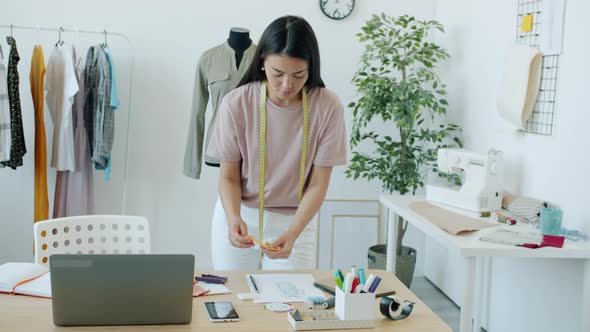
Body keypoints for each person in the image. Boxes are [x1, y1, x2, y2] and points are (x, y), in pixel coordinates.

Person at [207, 15, 347, 270]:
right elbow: (228, 176)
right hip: (241, 212)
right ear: (262, 63)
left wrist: (294, 232)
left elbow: (318, 183)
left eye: (298, 75)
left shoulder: (328, 106)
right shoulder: (236, 103)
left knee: (291, 301)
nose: (286, 85)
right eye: (278, 73)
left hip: (297, 219)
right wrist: (233, 217)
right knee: (234, 298)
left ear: (311, 69)